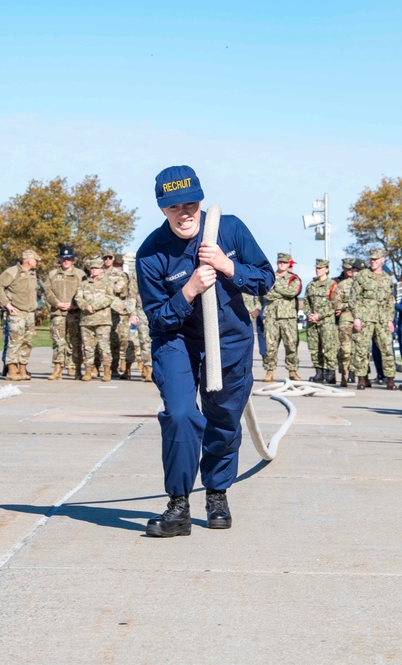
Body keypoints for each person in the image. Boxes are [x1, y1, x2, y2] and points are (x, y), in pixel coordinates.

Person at [135, 165, 274, 538]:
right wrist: (190, 289)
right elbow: (158, 319)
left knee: (223, 417)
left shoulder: (229, 229)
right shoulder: (151, 254)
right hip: (176, 340)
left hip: (228, 338)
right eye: (174, 207)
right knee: (181, 415)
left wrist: (229, 266)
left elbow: (266, 278)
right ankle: (178, 504)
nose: (184, 213)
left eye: (191, 203)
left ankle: (217, 493)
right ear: (162, 209)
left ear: (200, 200)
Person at [350, 249, 396, 390]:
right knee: (362, 350)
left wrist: (390, 319)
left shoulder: (387, 279)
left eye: (376, 259)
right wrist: (356, 317)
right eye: (371, 259)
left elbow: (390, 301)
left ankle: (390, 379)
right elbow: (354, 298)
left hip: (382, 319)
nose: (373, 262)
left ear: (382, 259)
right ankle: (362, 378)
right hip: (365, 318)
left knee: (387, 349)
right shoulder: (363, 276)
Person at [0, 250, 40, 381]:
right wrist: (7, 304)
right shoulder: (12, 272)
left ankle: (22, 369)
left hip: (29, 313)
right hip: (17, 313)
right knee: (15, 342)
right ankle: (11, 370)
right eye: (35, 260)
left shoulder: (32, 273)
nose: (37, 262)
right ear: (28, 260)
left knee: (27, 343)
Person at [45, 245, 86, 380]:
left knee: (75, 342)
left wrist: (73, 305)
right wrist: (57, 303)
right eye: (63, 259)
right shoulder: (53, 274)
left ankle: (77, 369)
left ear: (73, 259)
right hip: (58, 313)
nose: (66, 261)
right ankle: (57, 369)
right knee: (58, 342)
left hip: (75, 313)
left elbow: (85, 292)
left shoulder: (80, 275)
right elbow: (48, 292)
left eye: (68, 259)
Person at [262, 252, 301, 382]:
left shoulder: (293, 278)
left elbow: (292, 292)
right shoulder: (270, 277)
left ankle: (292, 370)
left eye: (284, 263)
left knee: (291, 345)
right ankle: (270, 371)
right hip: (271, 316)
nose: (282, 264)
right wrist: (281, 292)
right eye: (280, 262)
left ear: (288, 264)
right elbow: (266, 294)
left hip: (288, 317)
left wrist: (277, 288)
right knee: (270, 345)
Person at [75, 257, 116, 382]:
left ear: (101, 270)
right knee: (87, 347)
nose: (93, 270)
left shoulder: (107, 283)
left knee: (103, 347)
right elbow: (78, 298)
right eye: (92, 268)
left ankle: (107, 371)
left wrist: (94, 306)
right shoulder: (84, 284)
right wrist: (85, 306)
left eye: (96, 268)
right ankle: (88, 370)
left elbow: (109, 298)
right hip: (86, 320)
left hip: (102, 320)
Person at [304, 258, 339, 384]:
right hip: (313, 322)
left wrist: (320, 315)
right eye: (317, 268)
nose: (318, 270)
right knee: (314, 348)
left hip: (327, 322)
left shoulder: (332, 285)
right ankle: (319, 372)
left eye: (320, 268)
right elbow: (307, 302)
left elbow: (335, 304)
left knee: (328, 348)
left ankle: (330, 373)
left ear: (327, 269)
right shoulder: (311, 285)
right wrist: (309, 314)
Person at [332, 258, 356, 386]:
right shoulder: (341, 284)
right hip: (345, 319)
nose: (350, 271)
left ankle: (358, 374)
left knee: (359, 349)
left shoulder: (362, 283)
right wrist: (345, 306)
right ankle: (344, 374)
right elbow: (336, 302)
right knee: (345, 348)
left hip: (360, 319)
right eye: (347, 268)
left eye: (352, 269)